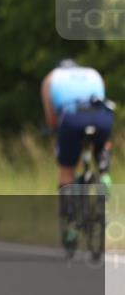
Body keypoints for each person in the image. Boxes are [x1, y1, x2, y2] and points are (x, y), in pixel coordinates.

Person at [41, 59, 115, 241]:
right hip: (102, 117)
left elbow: (52, 120)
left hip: (73, 118)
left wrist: (56, 131)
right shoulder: (92, 72)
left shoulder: (51, 78)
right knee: (101, 144)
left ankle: (72, 223)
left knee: (67, 172)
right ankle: (104, 173)